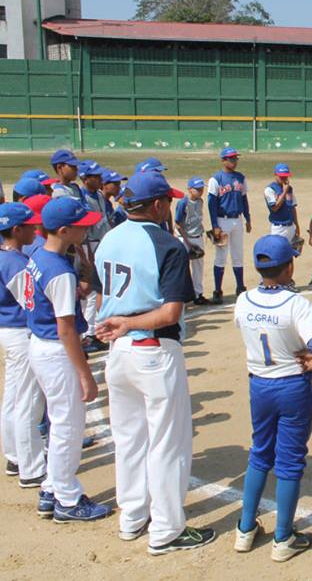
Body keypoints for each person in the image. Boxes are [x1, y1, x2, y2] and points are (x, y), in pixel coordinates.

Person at [93, 172, 216, 552]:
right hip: (153, 350)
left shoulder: (108, 239)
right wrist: (130, 321)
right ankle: (166, 529)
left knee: (129, 440)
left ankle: (132, 518)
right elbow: (170, 313)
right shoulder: (167, 244)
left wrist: (120, 322)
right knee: (168, 442)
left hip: (118, 353)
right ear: (159, 205)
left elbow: (102, 299)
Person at [232, 235, 312, 562]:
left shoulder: (244, 300)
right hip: (291, 386)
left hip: (259, 384)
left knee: (260, 453)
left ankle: (245, 530)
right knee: (289, 462)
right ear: (288, 266)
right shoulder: (295, 303)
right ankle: (283, 538)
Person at [14, 197, 110, 522]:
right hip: (57, 351)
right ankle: (67, 500)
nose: (88, 228)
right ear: (66, 230)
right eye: (82, 225)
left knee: (59, 422)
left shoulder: (39, 255)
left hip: (39, 345)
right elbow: (67, 329)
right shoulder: (59, 271)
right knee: (69, 426)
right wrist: (86, 373)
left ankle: (51, 488)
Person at [0, 203, 46, 488]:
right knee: (28, 402)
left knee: (13, 398)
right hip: (20, 334)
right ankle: (31, 468)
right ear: (16, 230)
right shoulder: (15, 263)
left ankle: (15, 456)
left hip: (6, 331)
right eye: (30, 226)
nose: (35, 229)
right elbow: (29, 304)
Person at [207, 146, 251, 304]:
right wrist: (214, 225)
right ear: (223, 160)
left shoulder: (241, 178)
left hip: (237, 220)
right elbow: (211, 204)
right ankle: (217, 290)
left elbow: (244, 199)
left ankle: (240, 287)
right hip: (222, 220)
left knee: (238, 255)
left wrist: (248, 218)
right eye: (231, 158)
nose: (234, 161)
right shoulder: (215, 179)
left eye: (236, 158)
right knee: (221, 256)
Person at [78, 161, 111, 353]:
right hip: (91, 244)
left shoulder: (98, 195)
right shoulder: (82, 197)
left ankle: (94, 330)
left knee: (102, 288)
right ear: (84, 179)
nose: (100, 179)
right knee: (91, 293)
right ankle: (90, 334)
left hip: (102, 242)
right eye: (95, 176)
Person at [175, 177, 209, 305]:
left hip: (198, 236)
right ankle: (182, 295)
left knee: (199, 266)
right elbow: (178, 224)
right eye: (197, 189)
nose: (200, 191)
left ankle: (198, 294)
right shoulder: (183, 203)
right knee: (183, 266)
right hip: (185, 238)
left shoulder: (200, 201)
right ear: (190, 189)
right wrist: (187, 242)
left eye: (201, 189)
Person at [263, 163, 300, 243]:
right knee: (277, 253)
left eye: (285, 176)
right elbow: (275, 208)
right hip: (278, 228)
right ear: (275, 175)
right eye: (281, 176)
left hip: (290, 227)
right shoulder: (270, 189)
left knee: (291, 253)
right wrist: (284, 192)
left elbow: (292, 208)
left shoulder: (289, 189)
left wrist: (296, 225)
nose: (284, 178)